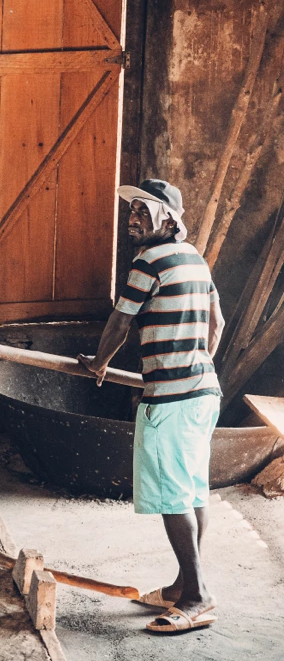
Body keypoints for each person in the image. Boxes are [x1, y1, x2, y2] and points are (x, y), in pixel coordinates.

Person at [79, 179, 225, 635]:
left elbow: (121, 321)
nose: (132, 219)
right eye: (130, 212)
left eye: (141, 210)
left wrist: (98, 364)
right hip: (204, 393)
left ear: (168, 217)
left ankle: (197, 598)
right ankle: (185, 585)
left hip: (171, 401)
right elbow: (217, 321)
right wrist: (195, 363)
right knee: (193, 490)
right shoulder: (195, 260)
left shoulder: (148, 262)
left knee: (173, 495)